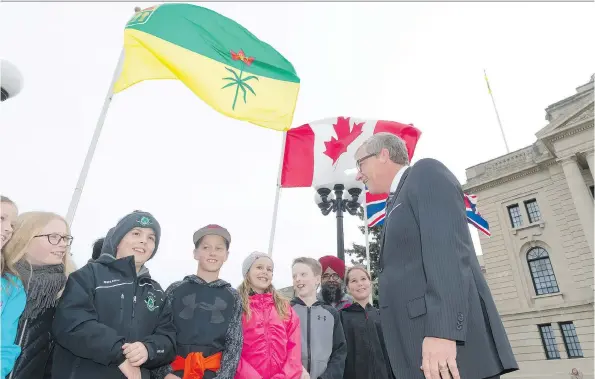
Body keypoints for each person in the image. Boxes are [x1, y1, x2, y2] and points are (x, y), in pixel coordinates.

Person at [354, 132, 518, 379]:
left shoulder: (425, 173)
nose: (358, 174)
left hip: (446, 351)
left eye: (360, 163)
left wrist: (444, 331)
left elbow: (447, 251)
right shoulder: (396, 200)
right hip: (422, 353)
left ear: (383, 155)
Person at [51, 210, 176, 379]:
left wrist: (149, 349)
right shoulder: (89, 275)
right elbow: (72, 323)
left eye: (151, 238)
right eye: (136, 233)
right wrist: (118, 352)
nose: (143, 241)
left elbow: (168, 340)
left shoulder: (157, 292)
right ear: (118, 240)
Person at [152, 224, 242, 379]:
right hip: (174, 372)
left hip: (212, 373)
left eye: (219, 248)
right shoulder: (175, 289)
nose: (212, 252)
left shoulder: (232, 296)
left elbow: (234, 344)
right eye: (206, 247)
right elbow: (160, 332)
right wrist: (164, 373)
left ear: (226, 255)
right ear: (195, 253)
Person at [2, 211, 76, 379]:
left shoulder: (69, 290)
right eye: (54, 236)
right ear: (25, 238)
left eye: (65, 238)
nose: (62, 244)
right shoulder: (4, 280)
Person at [235, 252, 302, 379]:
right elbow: (231, 350)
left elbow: (294, 349)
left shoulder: (284, 308)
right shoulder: (236, 306)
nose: (265, 272)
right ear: (247, 272)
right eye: (259, 267)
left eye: (269, 269)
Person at [290, 257, 346, 379]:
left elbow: (339, 351)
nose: (298, 279)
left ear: (317, 279)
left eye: (303, 274)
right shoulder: (286, 311)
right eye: (294, 276)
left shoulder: (331, 313)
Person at [340, 265, 393, 379]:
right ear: (348, 288)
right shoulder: (341, 317)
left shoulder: (382, 316)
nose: (360, 283)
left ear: (370, 283)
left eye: (363, 279)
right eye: (354, 281)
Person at [1, 196, 26, 378]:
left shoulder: (12, 286)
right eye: (1, 219)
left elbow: (4, 347)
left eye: (12, 225)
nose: (8, 229)